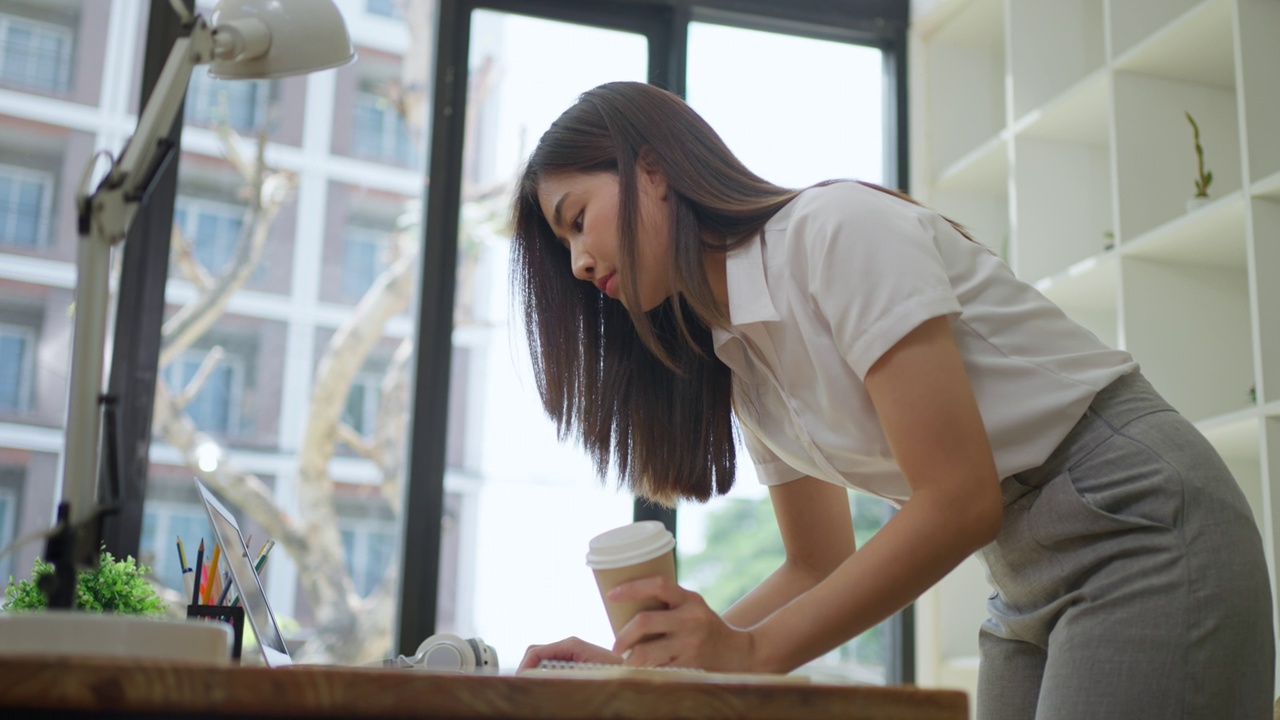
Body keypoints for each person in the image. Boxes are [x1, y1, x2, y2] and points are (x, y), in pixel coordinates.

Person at [508, 81, 1274, 719]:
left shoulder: (833, 232)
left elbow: (958, 497)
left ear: (652, 170)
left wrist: (747, 653)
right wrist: (644, 665)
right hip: (1019, 565)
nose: (578, 262)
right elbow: (815, 566)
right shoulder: (741, 356)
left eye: (578, 220)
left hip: (1133, 514)